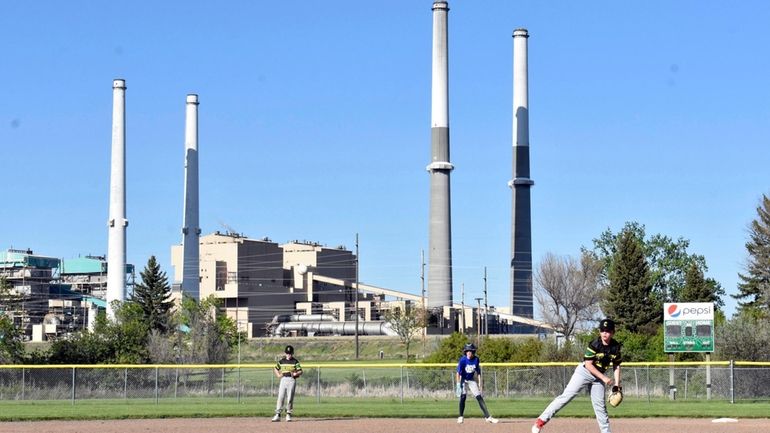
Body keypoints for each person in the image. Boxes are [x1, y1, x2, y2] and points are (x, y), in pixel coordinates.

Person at [532, 318, 622, 433]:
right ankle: (540, 421)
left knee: (601, 408)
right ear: (599, 332)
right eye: (603, 330)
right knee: (566, 397)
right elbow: (589, 365)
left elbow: (617, 365)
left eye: (608, 330)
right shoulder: (594, 344)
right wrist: (604, 378)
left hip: (598, 378)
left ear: (613, 332)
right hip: (584, 373)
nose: (605, 333)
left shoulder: (615, 347)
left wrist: (617, 385)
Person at [455, 342, 498, 424]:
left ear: (473, 352)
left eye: (470, 351)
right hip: (463, 379)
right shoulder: (463, 360)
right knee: (463, 396)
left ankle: (488, 417)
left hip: (471, 380)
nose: (468, 353)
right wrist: (458, 385)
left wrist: (480, 383)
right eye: (467, 351)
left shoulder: (476, 359)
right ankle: (460, 416)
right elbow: (458, 373)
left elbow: (478, 372)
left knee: (479, 397)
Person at [272, 344, 303, 422]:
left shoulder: (295, 361)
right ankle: (278, 414)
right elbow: (275, 368)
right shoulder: (282, 361)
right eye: (287, 353)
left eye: (290, 353)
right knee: (281, 397)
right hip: (283, 379)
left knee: (289, 398)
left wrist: (296, 374)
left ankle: (288, 414)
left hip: (291, 380)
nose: (288, 355)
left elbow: (300, 371)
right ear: (285, 353)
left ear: (292, 353)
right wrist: (278, 375)